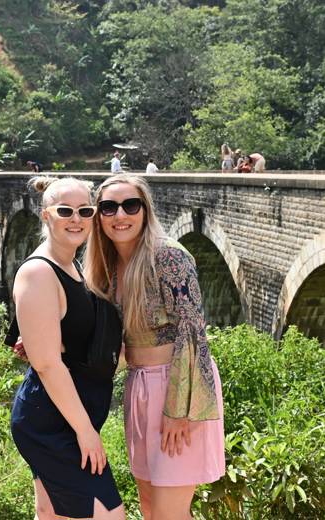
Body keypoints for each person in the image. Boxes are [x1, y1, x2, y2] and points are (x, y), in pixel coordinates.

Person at [84, 174, 225, 520]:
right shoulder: (110, 266)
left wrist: (179, 410)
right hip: (139, 387)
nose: (120, 215)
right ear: (99, 216)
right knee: (149, 508)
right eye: (109, 207)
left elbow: (193, 335)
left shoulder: (169, 257)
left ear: (145, 211)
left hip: (178, 389)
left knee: (168, 514)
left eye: (130, 205)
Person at [10, 176, 125, 520]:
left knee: (51, 513)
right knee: (108, 514)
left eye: (84, 211)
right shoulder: (39, 272)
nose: (76, 219)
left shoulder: (71, 265)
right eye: (65, 211)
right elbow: (47, 365)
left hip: (68, 415)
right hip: (52, 422)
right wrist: (85, 432)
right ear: (46, 215)